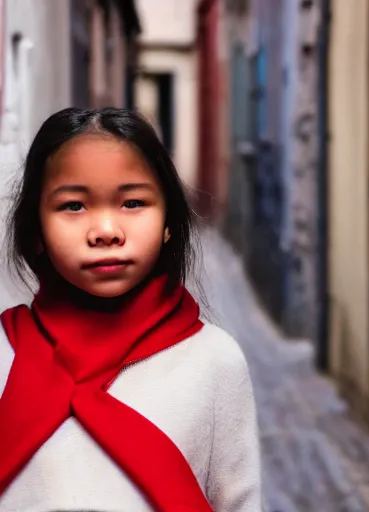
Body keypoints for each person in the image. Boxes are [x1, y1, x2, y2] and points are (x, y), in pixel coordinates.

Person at [0, 108, 262, 512]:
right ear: (36, 231)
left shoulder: (214, 361)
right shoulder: (4, 353)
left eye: (133, 202)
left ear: (168, 222)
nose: (106, 231)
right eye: (73, 206)